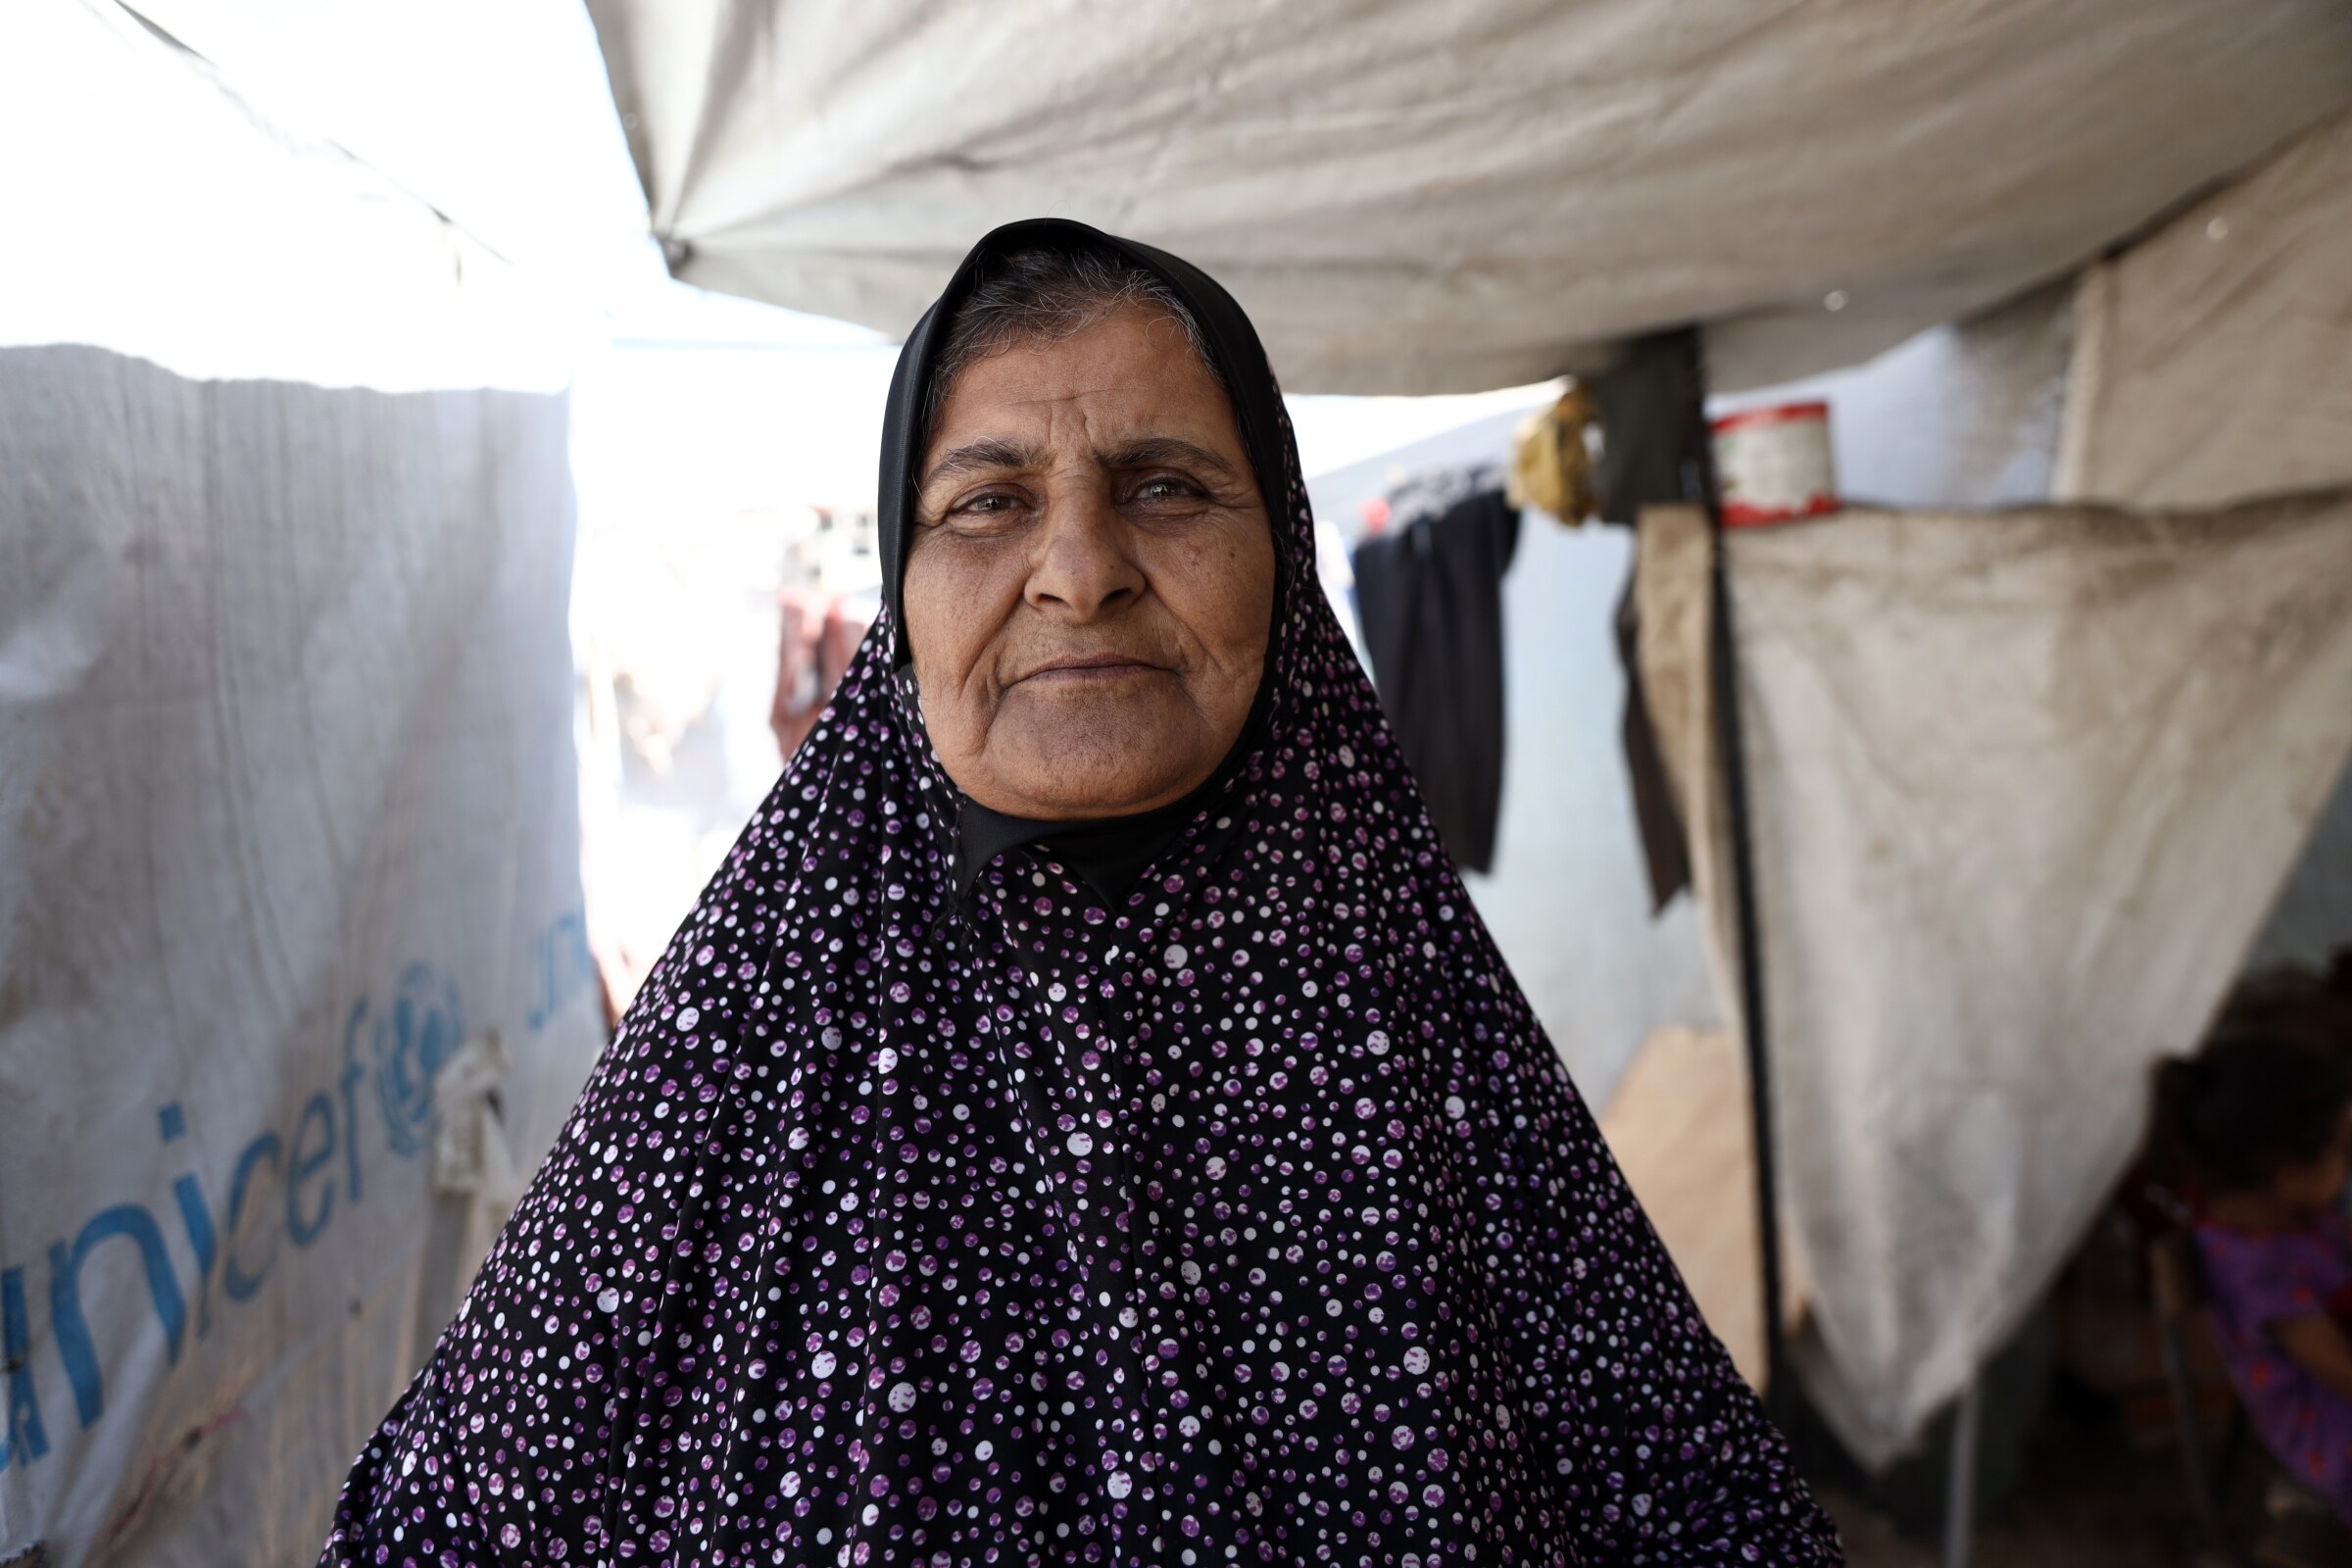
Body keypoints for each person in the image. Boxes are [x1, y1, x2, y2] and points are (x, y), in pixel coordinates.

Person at [318, 219, 1841, 1565]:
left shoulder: (1421, 1035)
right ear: (902, 591)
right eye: (986, 502)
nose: (1078, 568)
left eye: (1166, 487)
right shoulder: (739, 1047)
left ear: (1280, 552)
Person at [2158, 1033, 2352, 1524]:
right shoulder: (2258, 1272)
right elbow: (2340, 1369)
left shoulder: (2302, 1218)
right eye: (2341, 1152)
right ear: (2290, 1174)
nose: (2346, 1168)